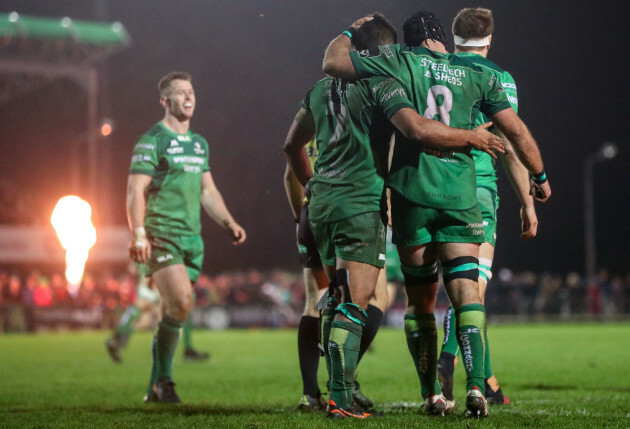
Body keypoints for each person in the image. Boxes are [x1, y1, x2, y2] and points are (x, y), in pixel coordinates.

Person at [322, 11, 551, 418]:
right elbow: (515, 132)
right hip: (461, 199)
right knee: (467, 294)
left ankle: (431, 395)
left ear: (408, 43)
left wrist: (351, 29)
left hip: (412, 197)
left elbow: (334, 64)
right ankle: (477, 388)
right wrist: (540, 176)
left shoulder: (398, 63)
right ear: (441, 40)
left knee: (420, 303)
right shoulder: (477, 73)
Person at [286, 14, 505, 419]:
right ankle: (340, 396)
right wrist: (470, 137)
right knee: (356, 302)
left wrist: (312, 185)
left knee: (332, 300)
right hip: (361, 202)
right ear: (384, 51)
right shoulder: (381, 85)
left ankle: (326, 390)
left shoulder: (317, 92)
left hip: (320, 206)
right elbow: (415, 128)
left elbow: (290, 145)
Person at [437, 7, 538, 407]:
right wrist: (528, 203)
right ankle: (450, 357)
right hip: (476, 189)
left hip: (432, 185)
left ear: (453, 37)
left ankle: (490, 383)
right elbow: (510, 143)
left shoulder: (436, 70)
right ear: (489, 41)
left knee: (438, 291)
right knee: (472, 293)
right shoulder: (500, 78)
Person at [127, 71, 246, 403]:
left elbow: (208, 191)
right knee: (180, 302)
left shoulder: (199, 143)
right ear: (165, 101)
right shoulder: (152, 140)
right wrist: (139, 234)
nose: (188, 97)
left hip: (193, 239)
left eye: (191, 91)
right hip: (161, 235)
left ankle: (154, 386)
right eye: (180, 93)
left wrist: (228, 221)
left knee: (176, 311)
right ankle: (164, 380)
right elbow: (135, 190)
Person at [105, 264, 209, 364]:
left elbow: (133, 268)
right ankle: (187, 349)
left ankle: (117, 338)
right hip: (157, 273)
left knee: (143, 313)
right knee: (183, 303)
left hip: (150, 275)